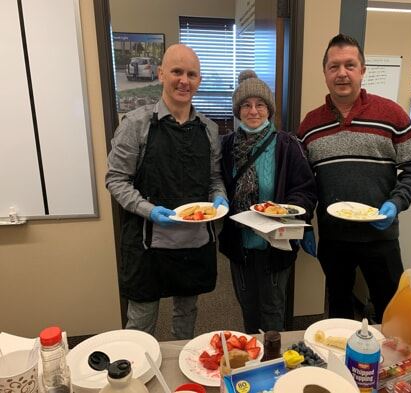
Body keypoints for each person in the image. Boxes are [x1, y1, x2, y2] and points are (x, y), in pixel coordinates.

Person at [297, 34, 411, 323]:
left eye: (350, 65)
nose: (342, 73)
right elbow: (303, 184)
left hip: (380, 236)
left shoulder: (391, 114)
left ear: (362, 70)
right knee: (340, 311)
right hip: (334, 238)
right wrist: (304, 222)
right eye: (334, 67)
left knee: (391, 312)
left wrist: (396, 202)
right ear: (325, 73)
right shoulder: (309, 125)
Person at [105, 44, 228, 339]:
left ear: (199, 80)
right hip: (148, 244)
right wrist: (150, 210)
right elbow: (116, 180)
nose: (184, 80)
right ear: (161, 74)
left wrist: (219, 197)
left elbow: (213, 178)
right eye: (176, 72)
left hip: (194, 242)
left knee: (187, 316)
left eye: (191, 74)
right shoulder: (136, 125)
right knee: (140, 325)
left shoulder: (209, 129)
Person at [219, 70, 317, 333]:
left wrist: (285, 210)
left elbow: (306, 190)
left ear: (269, 109)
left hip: (276, 243)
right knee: (248, 308)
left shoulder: (287, 144)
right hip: (239, 244)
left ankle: (275, 364)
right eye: (246, 105)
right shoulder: (226, 146)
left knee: (273, 309)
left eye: (260, 104)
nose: (253, 111)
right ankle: (252, 360)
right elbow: (216, 184)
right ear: (238, 110)